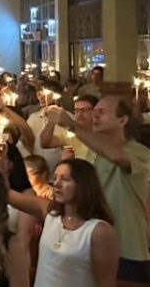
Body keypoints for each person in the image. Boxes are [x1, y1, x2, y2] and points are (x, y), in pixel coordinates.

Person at [49, 96, 150, 281]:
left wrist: (70, 124)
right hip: (92, 244)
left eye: (101, 112)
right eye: (93, 112)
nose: (94, 116)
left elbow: (116, 156)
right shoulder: (92, 151)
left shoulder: (140, 152)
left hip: (126, 250)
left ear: (122, 120)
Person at [3, 158, 118, 287]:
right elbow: (5, 193)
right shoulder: (51, 215)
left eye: (65, 179)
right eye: (56, 177)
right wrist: (1, 162)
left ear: (83, 185)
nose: (56, 183)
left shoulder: (98, 231)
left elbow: (106, 282)